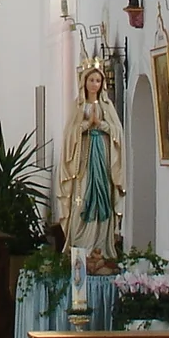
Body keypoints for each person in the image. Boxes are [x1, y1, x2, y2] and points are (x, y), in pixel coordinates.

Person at [61, 64, 126, 257]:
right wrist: (86, 125)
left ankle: (101, 247)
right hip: (83, 157)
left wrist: (102, 125)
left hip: (103, 155)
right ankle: (80, 246)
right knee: (82, 195)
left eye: (98, 80)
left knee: (102, 194)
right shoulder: (78, 106)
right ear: (84, 82)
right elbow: (69, 133)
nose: (94, 84)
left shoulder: (107, 106)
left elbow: (118, 132)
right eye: (91, 80)